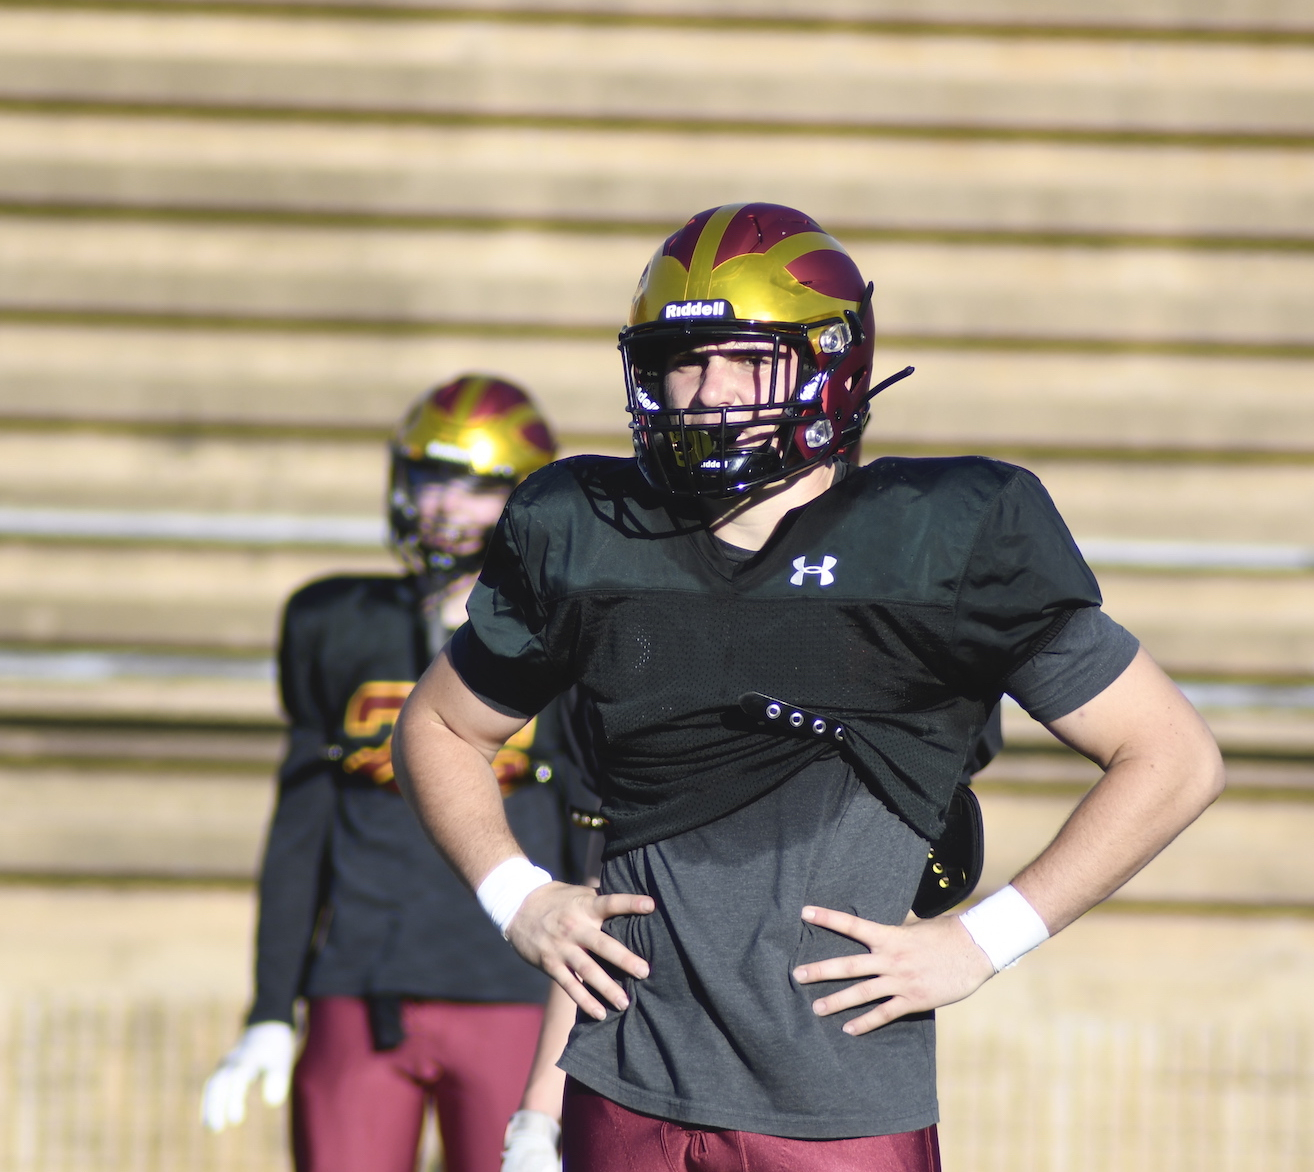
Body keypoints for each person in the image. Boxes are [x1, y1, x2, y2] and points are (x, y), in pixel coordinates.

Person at [394, 203, 1225, 1171]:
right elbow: (439, 727)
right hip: (624, 1090)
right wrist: (518, 896)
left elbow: (1171, 757)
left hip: (838, 1109)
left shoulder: (939, 541)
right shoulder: (591, 530)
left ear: (828, 366)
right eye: (681, 361)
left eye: (744, 359)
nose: (705, 393)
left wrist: (979, 940)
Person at [201, 374, 580, 1172]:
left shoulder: (568, 639)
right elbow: (299, 832)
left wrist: (571, 1044)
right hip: (359, 986)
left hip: (512, 988)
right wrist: (271, 1007)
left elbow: (594, 842)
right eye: (431, 475)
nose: (445, 503)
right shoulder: (337, 624)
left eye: (478, 484)